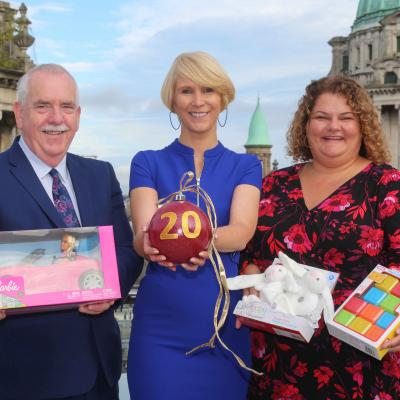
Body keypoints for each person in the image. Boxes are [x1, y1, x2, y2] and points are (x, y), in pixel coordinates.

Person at [240, 75, 400, 399]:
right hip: (279, 363)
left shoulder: (387, 184)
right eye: (322, 117)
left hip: (361, 366)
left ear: (362, 125)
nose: (333, 127)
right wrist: (252, 282)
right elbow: (251, 256)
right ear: (306, 124)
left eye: (346, 118)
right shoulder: (275, 184)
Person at [0, 64, 143, 400]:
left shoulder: (100, 173)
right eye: (42, 106)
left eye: (66, 107)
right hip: (22, 376)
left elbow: (125, 250)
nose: (56, 118)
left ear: (78, 115)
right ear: (19, 114)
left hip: (100, 370)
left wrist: (110, 289)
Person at [127, 51, 262, 399]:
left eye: (208, 90)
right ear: (172, 100)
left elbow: (242, 232)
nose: (198, 101)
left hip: (224, 327)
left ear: (223, 98)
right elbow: (143, 237)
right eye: (186, 91)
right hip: (161, 329)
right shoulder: (146, 162)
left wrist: (191, 241)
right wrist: (159, 243)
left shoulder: (246, 166)